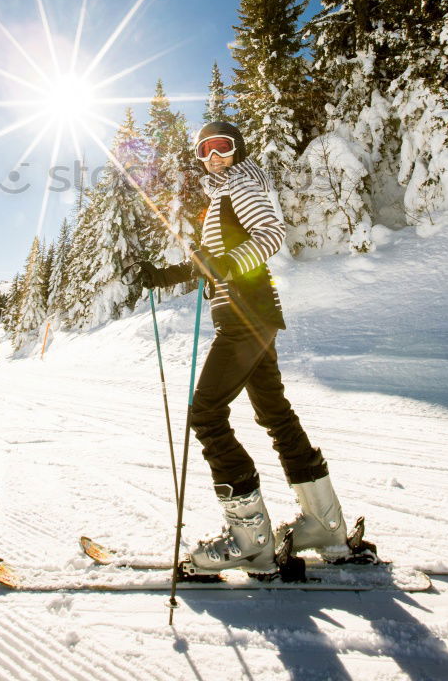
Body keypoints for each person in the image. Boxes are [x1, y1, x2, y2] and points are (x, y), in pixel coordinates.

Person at [137, 121, 350, 574]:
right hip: (251, 318)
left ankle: (250, 540)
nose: (214, 155)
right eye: (205, 150)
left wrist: (228, 262)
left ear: (239, 148)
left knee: (207, 414)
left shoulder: (241, 185)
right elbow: (210, 263)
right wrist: (165, 276)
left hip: (244, 318)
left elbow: (271, 234)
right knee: (275, 414)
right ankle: (324, 524)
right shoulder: (222, 196)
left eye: (223, 146)